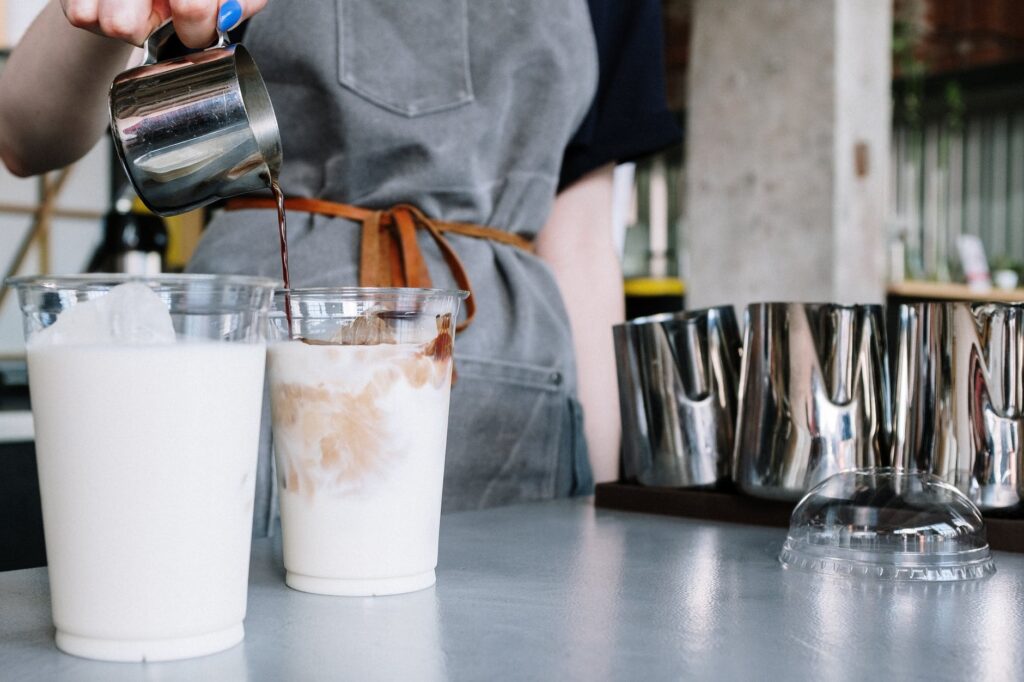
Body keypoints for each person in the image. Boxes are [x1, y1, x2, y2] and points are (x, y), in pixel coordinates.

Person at [0, 0, 680, 535]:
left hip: (519, 405)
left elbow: (582, 246)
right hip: (252, 369)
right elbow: (23, 132)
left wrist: (605, 517)